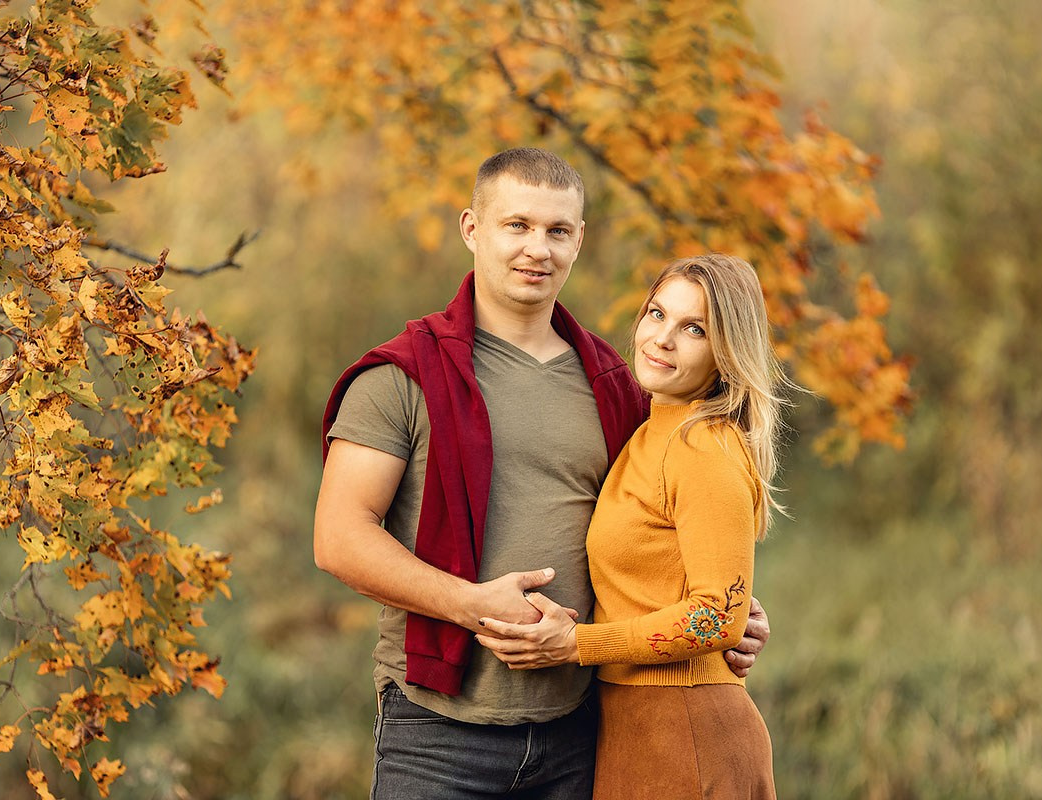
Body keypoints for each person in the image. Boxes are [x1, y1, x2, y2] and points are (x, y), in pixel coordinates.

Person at [314, 148, 770, 799]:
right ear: (473, 229)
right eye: (517, 225)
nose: (538, 248)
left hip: (582, 733)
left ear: (578, 240)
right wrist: (470, 605)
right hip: (440, 736)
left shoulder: (617, 383)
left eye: (557, 230)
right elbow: (338, 538)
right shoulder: (404, 374)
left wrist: (729, 609)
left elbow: (665, 523)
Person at [475, 254, 784, 799]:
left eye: (694, 329)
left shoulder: (702, 446)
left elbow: (718, 617)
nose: (663, 338)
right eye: (657, 314)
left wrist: (576, 644)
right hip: (632, 726)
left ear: (725, 353)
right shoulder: (646, 431)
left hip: (687, 730)